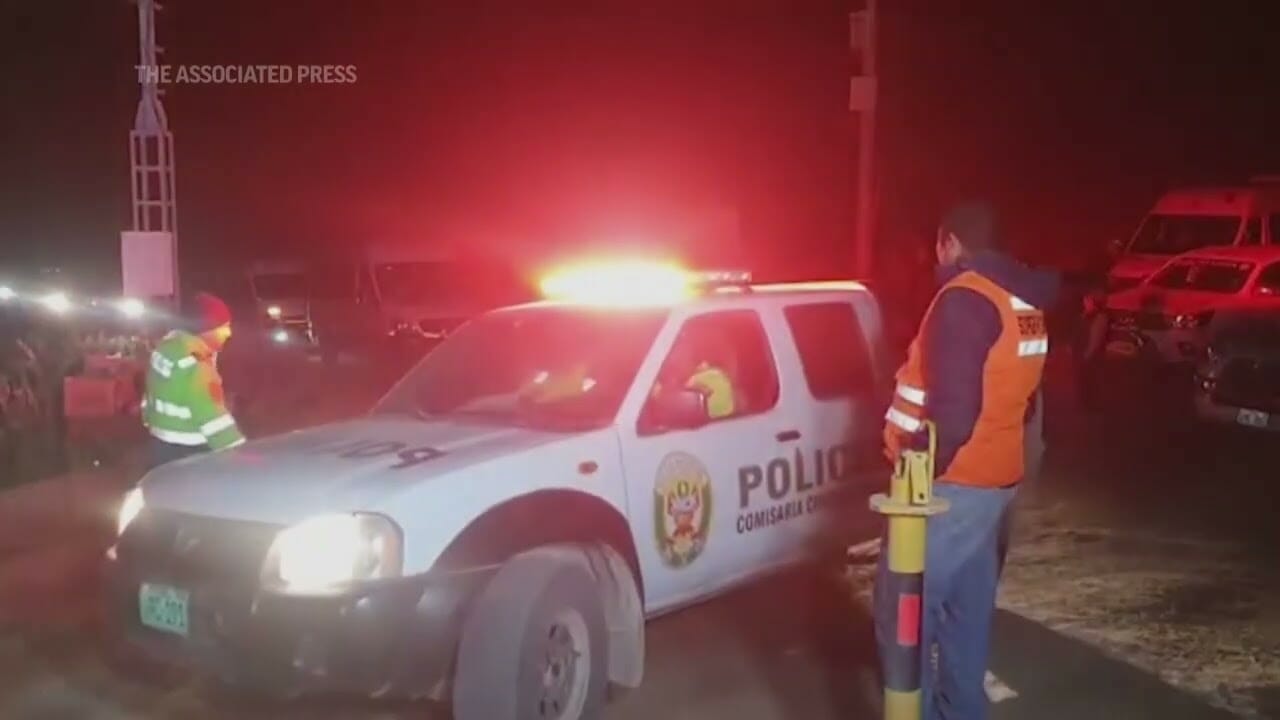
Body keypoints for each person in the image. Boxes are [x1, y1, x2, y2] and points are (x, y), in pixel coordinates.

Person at [877, 202, 1059, 719]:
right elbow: (1023, 400)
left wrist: (915, 475)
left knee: (904, 615)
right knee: (966, 614)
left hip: (950, 488)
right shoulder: (1023, 302)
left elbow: (953, 418)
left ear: (949, 242)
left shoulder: (963, 300)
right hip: (994, 484)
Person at [142, 293, 245, 469]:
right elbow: (212, 418)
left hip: (161, 444)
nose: (229, 333)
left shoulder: (168, 348)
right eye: (224, 327)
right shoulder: (195, 364)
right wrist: (238, 452)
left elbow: (149, 395)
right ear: (206, 329)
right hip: (191, 449)